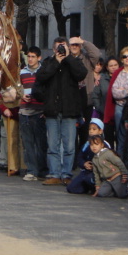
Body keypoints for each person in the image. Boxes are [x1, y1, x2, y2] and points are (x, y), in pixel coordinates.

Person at [36, 37, 88, 185]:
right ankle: (54, 174)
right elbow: (41, 77)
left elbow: (81, 74)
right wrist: (56, 62)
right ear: (53, 49)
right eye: (58, 47)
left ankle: (66, 174)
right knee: (52, 145)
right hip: (52, 110)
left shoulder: (73, 62)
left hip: (69, 110)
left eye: (63, 47)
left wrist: (68, 58)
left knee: (69, 146)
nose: (60, 50)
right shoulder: (48, 62)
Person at [19, 46, 48, 181]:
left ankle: (42, 169)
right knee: (28, 143)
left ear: (39, 58)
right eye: (28, 56)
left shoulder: (43, 72)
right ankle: (31, 170)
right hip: (25, 110)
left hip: (39, 110)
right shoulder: (22, 72)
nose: (30, 59)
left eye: (33, 57)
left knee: (41, 143)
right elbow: (17, 89)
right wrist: (21, 96)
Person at [104, 46, 128, 161]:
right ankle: (119, 163)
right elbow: (114, 93)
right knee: (120, 137)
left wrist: (124, 90)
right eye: (124, 56)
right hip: (119, 108)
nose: (127, 58)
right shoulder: (118, 73)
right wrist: (127, 91)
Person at [68, 36, 101, 143]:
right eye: (72, 44)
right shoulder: (66, 60)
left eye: (76, 44)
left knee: (85, 134)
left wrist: (82, 41)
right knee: (71, 136)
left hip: (86, 101)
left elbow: (96, 54)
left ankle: (83, 158)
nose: (74, 47)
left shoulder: (87, 59)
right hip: (71, 102)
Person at [66, 118, 109, 194]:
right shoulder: (87, 144)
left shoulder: (105, 145)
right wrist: (84, 164)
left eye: (94, 129)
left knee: (90, 179)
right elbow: (80, 157)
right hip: (86, 171)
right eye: (90, 129)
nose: (91, 131)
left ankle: (98, 186)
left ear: (100, 131)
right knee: (71, 188)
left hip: (99, 173)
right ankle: (87, 187)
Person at [92, 56, 120, 148]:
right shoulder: (102, 79)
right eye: (111, 65)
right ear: (107, 67)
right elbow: (95, 95)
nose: (113, 67)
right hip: (106, 114)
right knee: (108, 139)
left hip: (120, 113)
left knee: (121, 139)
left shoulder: (122, 77)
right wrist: (100, 108)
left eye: (115, 65)